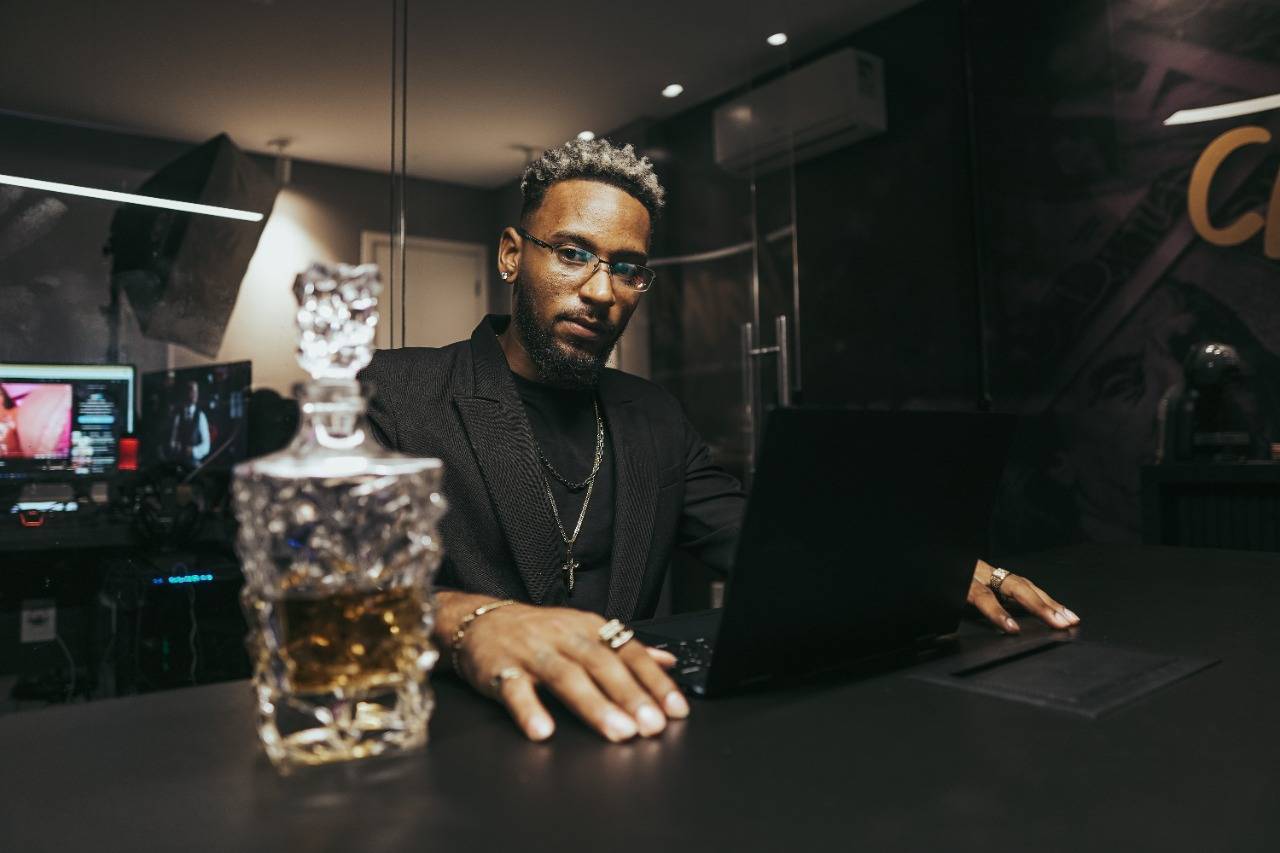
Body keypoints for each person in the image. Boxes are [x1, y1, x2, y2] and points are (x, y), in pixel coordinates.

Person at [359, 138, 1080, 745]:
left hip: (635, 734)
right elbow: (329, 589)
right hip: (457, 745)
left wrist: (920, 565)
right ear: (512, 255)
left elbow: (768, 540)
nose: (601, 291)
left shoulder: (652, 415)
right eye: (573, 253)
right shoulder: (395, 393)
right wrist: (468, 621)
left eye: (627, 268)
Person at [167, 380, 210, 467]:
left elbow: (206, 445)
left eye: (196, 391)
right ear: (186, 393)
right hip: (179, 462)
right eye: (192, 391)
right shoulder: (178, 416)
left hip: (194, 464)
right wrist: (176, 447)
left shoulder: (201, 416)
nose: (195, 394)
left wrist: (193, 451)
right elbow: (172, 441)